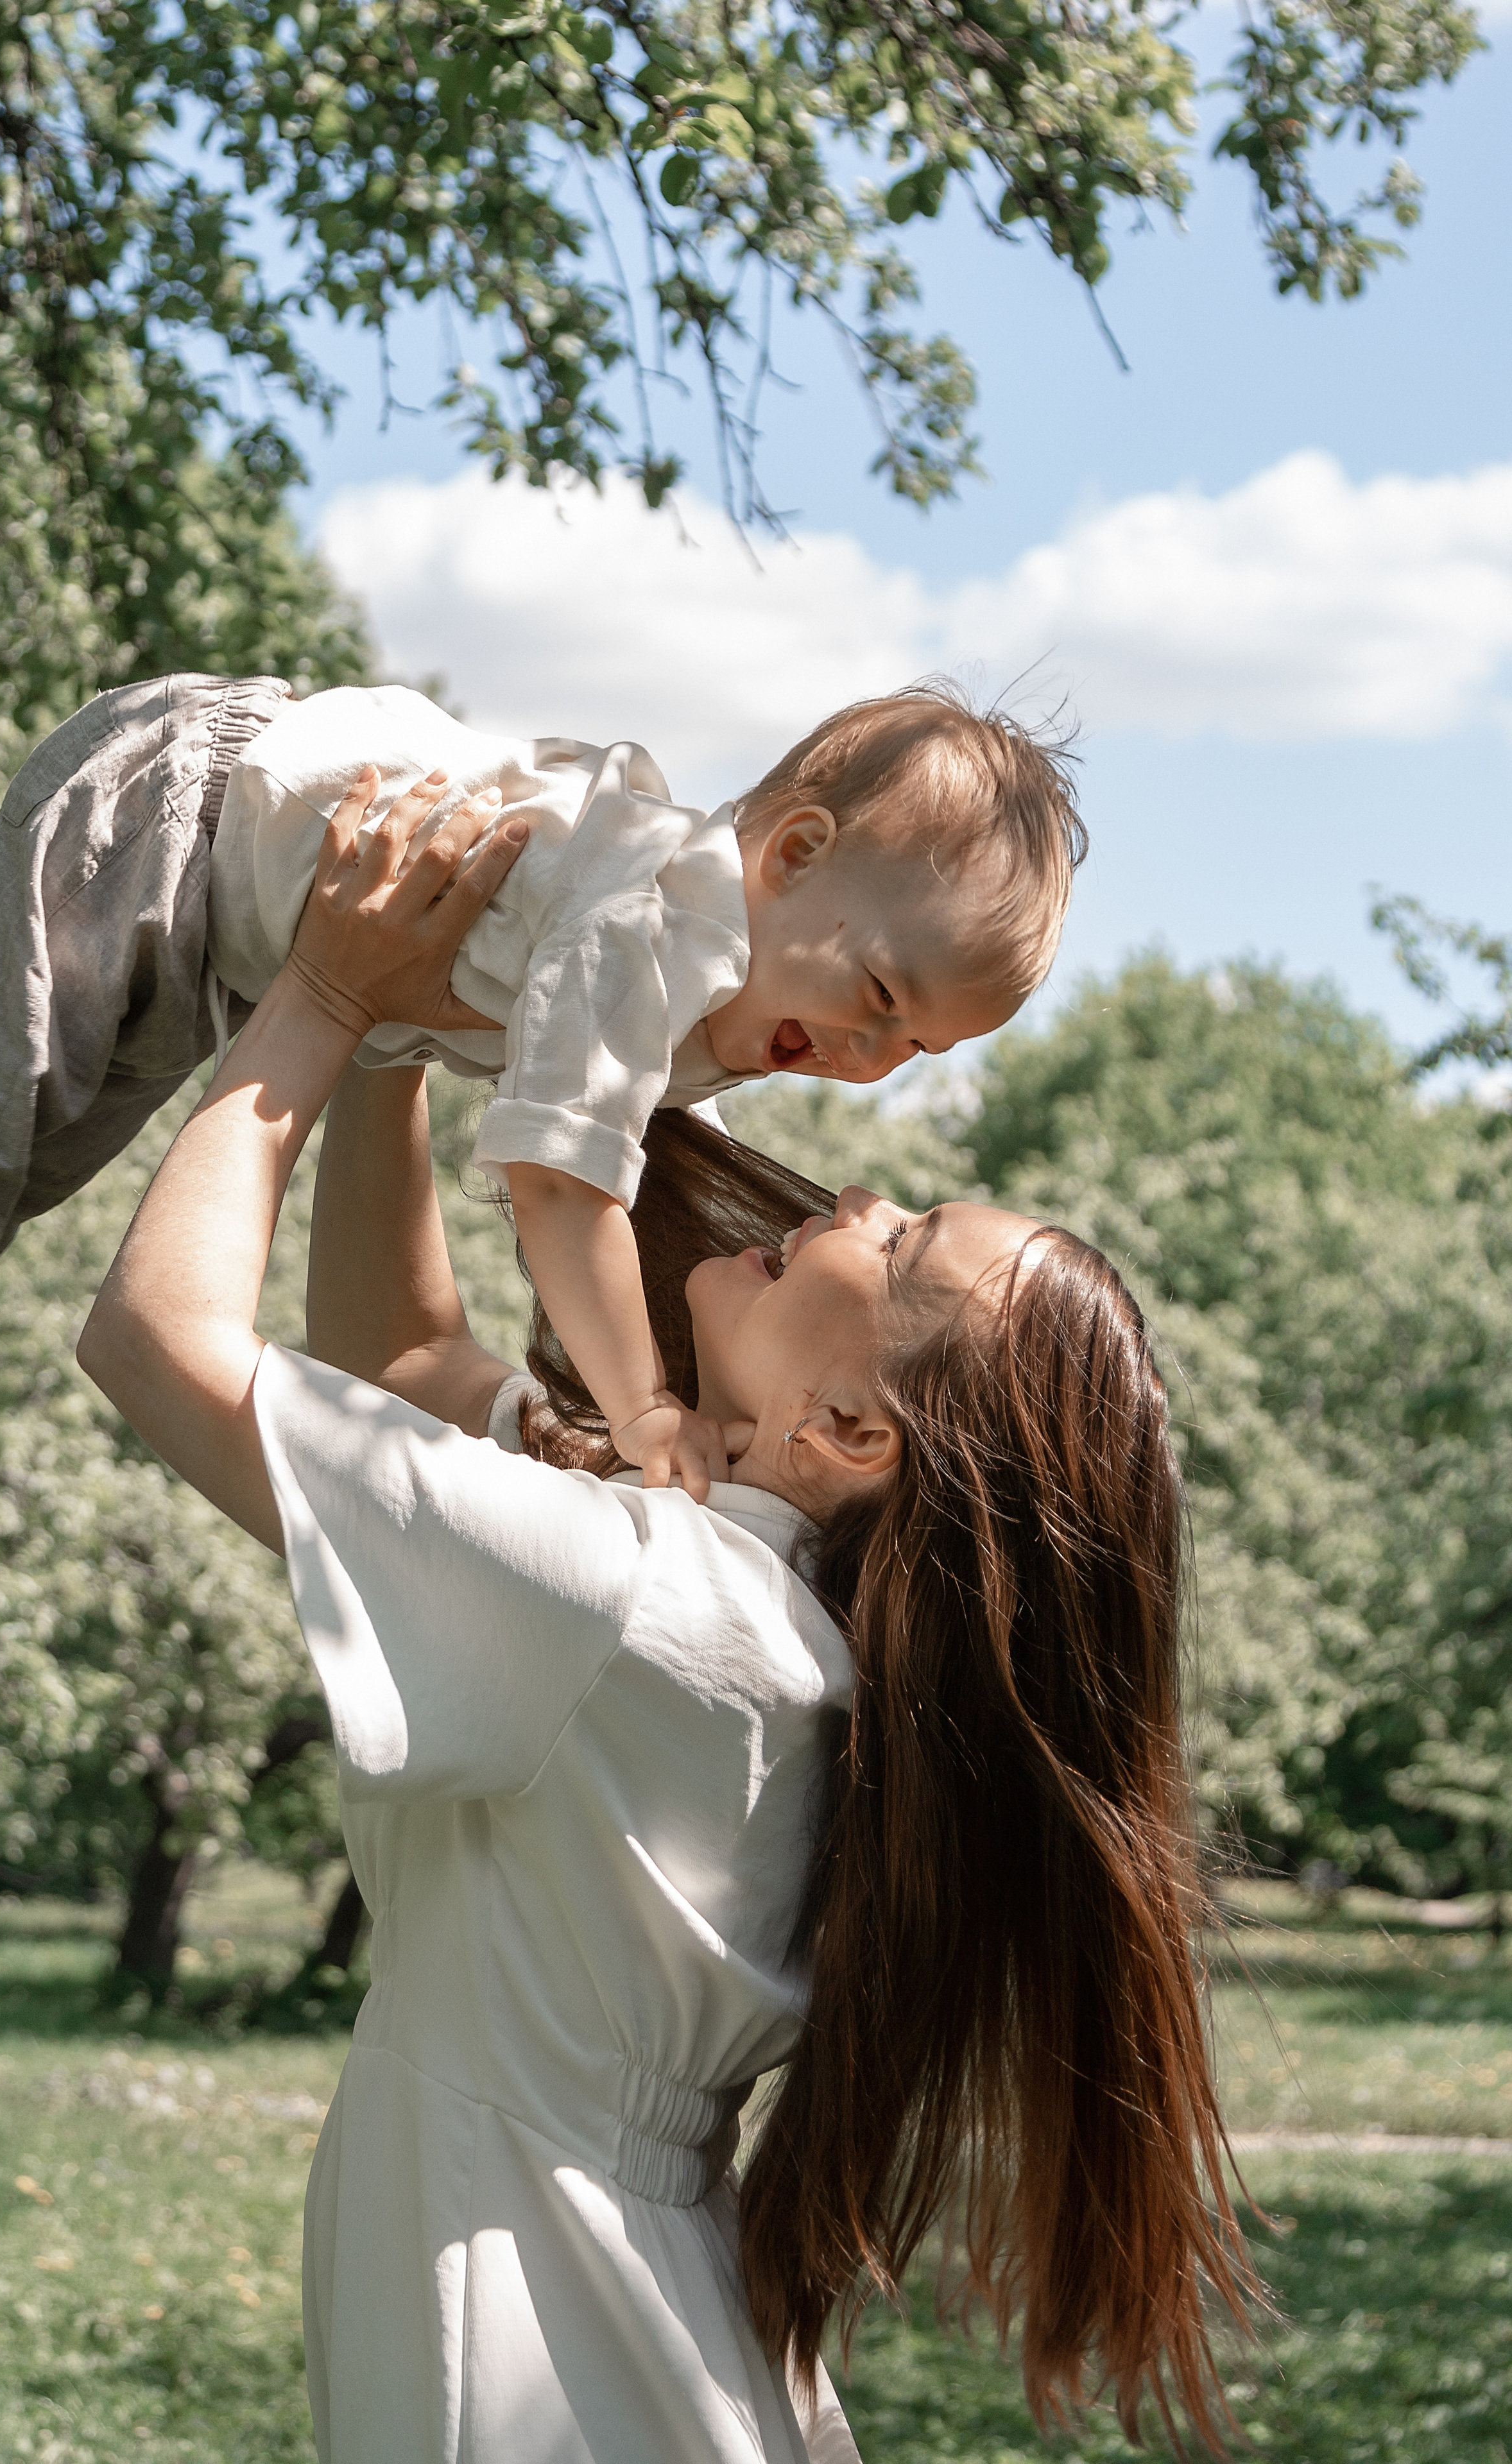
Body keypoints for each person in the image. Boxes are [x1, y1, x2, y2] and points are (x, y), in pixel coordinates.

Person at [78, 778, 1254, 2463]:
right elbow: (397, 1358)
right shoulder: (724, 1583)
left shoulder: (651, 1603)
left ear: (857, 1434)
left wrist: (323, 1001)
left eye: (902, 1239)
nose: (850, 1199)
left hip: (545, 2316)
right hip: (616, 2299)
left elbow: (156, 1340)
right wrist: (436, 1022)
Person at [0, 672, 1086, 1490]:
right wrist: (647, 1408)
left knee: (2, 1181)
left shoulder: (728, 996)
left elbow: (627, 1170)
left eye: (914, 1051)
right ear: (795, 854)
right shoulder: (651, 930)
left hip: (223, 952)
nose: (866, 1065)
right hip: (175, 813)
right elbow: (562, 1189)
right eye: (879, 1000)